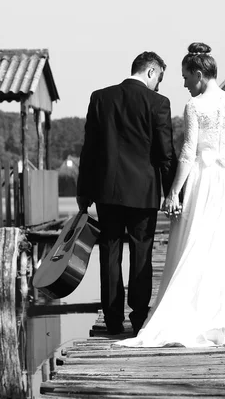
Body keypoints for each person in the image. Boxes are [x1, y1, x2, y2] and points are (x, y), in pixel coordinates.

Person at [117, 43, 225, 349]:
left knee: (197, 243)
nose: (184, 84)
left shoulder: (194, 106)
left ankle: (201, 313)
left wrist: (173, 191)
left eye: (186, 78)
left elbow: (187, 153)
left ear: (199, 75)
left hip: (204, 179)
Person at [77, 51, 177, 335]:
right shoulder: (158, 103)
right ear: (150, 72)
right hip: (144, 192)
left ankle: (111, 320)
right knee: (141, 252)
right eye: (159, 78)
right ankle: (138, 318)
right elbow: (165, 154)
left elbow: (89, 151)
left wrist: (84, 192)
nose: (158, 85)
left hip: (107, 191)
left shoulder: (101, 98)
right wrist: (171, 193)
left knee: (109, 252)